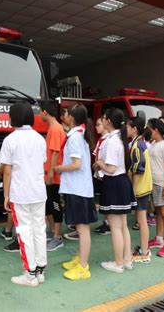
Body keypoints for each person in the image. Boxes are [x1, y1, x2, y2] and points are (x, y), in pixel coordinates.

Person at [0, 101, 47, 287]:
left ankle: (29, 274)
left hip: (20, 194)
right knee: (39, 230)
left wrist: (6, 195)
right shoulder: (39, 139)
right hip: (38, 192)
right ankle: (40, 270)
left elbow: (7, 171)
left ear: (13, 118)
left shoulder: (10, 140)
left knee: (24, 232)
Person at [54, 104, 97, 280]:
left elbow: (76, 164)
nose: (65, 116)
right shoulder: (80, 134)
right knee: (81, 228)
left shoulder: (75, 138)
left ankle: (83, 266)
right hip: (79, 187)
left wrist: (59, 168)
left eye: (67, 113)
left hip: (78, 188)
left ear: (72, 117)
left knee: (82, 228)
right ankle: (80, 259)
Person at [96, 107, 136, 273]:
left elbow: (111, 169)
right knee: (123, 225)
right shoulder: (120, 139)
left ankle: (118, 263)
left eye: (104, 118)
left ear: (108, 121)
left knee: (116, 226)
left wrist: (99, 163)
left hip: (114, 183)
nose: (103, 120)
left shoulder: (112, 141)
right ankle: (127, 259)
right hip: (122, 182)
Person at [40, 100, 66, 252]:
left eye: (40, 111)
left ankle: (57, 237)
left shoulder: (55, 129)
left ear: (45, 112)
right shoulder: (54, 128)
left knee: (55, 205)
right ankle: (53, 231)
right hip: (50, 175)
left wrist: (50, 173)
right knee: (49, 204)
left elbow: (56, 152)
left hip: (54, 177)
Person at [147, 118, 164, 257]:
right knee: (158, 212)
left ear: (155, 130)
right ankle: (159, 239)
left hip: (161, 183)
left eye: (149, 129)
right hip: (153, 183)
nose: (148, 131)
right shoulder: (153, 144)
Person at [127, 117, 152, 263]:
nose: (126, 129)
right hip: (144, 186)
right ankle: (143, 249)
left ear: (134, 128)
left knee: (142, 220)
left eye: (129, 126)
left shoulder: (137, 145)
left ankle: (144, 252)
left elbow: (138, 169)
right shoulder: (141, 143)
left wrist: (134, 190)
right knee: (142, 220)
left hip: (140, 188)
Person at [93, 117, 111, 235]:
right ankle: (106, 222)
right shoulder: (100, 140)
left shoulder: (109, 140)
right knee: (103, 199)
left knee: (108, 199)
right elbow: (96, 156)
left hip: (106, 173)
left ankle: (109, 224)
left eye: (99, 124)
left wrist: (100, 169)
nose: (96, 127)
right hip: (99, 173)